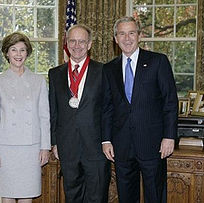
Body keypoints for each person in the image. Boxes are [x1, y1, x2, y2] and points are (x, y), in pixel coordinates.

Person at [102, 17, 178, 203]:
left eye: (131, 33)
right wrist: (106, 140)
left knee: (155, 195)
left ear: (140, 35)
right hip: (122, 146)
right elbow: (107, 107)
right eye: (122, 34)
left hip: (153, 144)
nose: (127, 38)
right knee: (126, 197)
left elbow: (170, 102)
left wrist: (169, 137)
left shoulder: (158, 61)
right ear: (115, 38)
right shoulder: (109, 68)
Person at [48, 24, 111, 203]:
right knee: (72, 196)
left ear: (89, 44)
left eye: (82, 41)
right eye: (72, 41)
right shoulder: (55, 74)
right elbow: (53, 111)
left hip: (96, 148)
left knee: (97, 197)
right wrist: (54, 142)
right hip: (67, 147)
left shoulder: (103, 71)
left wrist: (107, 140)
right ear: (66, 43)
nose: (77, 45)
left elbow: (108, 109)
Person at [0, 32, 50, 203]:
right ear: (7, 53)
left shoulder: (39, 81)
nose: (18, 54)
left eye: (22, 50)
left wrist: (45, 147)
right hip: (6, 148)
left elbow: (45, 117)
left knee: (27, 195)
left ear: (27, 53)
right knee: (7, 194)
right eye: (13, 50)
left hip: (31, 148)